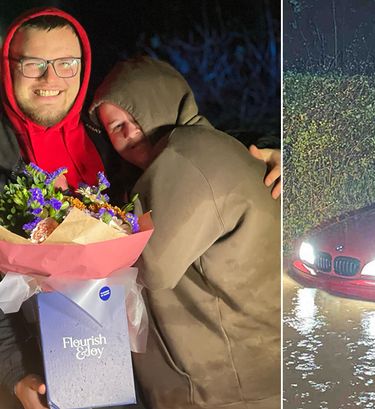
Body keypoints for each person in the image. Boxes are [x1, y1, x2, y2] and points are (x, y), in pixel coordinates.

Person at [0, 7, 280, 409]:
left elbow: (188, 143)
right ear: (9, 67)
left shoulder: (104, 144)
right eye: (33, 64)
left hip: (142, 377)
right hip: (39, 379)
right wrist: (13, 373)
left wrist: (277, 153)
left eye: (65, 64)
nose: (50, 78)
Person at [89, 56, 280, 409]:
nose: (131, 132)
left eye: (137, 114)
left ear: (164, 100)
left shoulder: (188, 155)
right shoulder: (200, 151)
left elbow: (151, 265)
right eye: (116, 127)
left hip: (225, 390)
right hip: (229, 382)